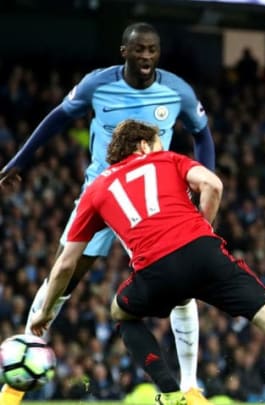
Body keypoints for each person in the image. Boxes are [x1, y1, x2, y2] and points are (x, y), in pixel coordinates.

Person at [29, 119, 265, 405]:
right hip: (205, 253)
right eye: (157, 142)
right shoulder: (168, 159)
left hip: (155, 271)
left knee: (121, 314)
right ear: (143, 146)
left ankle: (170, 393)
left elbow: (64, 265)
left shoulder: (95, 191)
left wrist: (46, 311)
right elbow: (213, 185)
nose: (162, 148)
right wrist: (203, 225)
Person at [0, 23, 214, 404]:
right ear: (124, 52)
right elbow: (57, 118)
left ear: (158, 53)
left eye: (152, 50)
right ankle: (17, 382)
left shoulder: (178, 91)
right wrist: (20, 160)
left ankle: (191, 387)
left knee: (183, 289)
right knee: (63, 275)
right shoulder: (96, 85)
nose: (146, 57)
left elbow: (202, 134)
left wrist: (201, 189)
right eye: (139, 50)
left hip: (153, 202)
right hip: (102, 195)